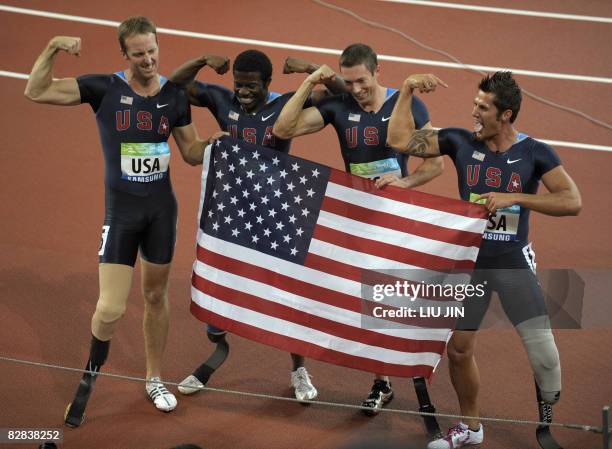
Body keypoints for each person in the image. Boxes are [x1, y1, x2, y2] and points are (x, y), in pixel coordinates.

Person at [24, 16, 214, 427]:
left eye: (153, 50)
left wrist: (229, 140)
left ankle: (154, 378)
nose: (148, 59)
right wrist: (54, 45)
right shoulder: (103, 88)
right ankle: (89, 378)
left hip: (162, 212)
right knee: (109, 308)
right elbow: (35, 90)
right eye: (139, 53)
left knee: (154, 297)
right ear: (124, 54)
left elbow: (192, 152)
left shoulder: (174, 96)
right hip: (122, 214)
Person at [384, 71, 582, 448]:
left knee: (544, 354)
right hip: (470, 262)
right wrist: (407, 90)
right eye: (475, 104)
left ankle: (546, 418)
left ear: (506, 114)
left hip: (511, 263)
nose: (474, 111)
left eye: (483, 107)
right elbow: (397, 140)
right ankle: (471, 428)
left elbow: (572, 201)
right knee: (459, 349)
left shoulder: (535, 153)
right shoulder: (459, 141)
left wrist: (518, 198)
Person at [273, 43, 444, 416]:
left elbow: (435, 166)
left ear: (378, 69)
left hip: (396, 218)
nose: (356, 89)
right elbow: (283, 127)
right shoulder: (339, 107)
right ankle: (383, 380)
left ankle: (390, 380)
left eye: (362, 81)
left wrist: (403, 184)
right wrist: (310, 81)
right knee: (357, 298)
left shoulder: (407, 106)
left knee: (383, 301)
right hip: (358, 218)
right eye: (348, 82)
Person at [169, 49, 346, 402]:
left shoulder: (285, 106)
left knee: (287, 296)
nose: (243, 92)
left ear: (268, 84)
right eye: (238, 84)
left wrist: (312, 69)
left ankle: (299, 369)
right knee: (220, 288)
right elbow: (173, 88)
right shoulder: (223, 100)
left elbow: (342, 95)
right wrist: (203, 59)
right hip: (232, 218)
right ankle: (217, 355)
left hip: (277, 216)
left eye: (251, 86)